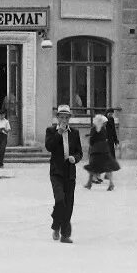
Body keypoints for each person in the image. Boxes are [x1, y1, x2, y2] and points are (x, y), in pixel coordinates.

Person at [45, 104, 82, 244]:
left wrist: (75, 158)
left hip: (70, 172)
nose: (64, 120)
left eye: (67, 117)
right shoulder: (50, 131)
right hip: (56, 171)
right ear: (57, 118)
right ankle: (56, 226)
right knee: (60, 200)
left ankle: (65, 235)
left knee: (69, 204)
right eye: (62, 117)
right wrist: (58, 133)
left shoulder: (75, 133)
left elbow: (79, 152)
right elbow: (49, 147)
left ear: (70, 118)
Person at [84, 114, 120, 190]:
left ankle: (89, 183)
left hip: (96, 150)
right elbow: (104, 138)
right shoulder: (103, 129)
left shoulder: (94, 129)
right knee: (108, 167)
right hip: (104, 149)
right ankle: (111, 183)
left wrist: (90, 143)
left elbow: (92, 140)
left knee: (92, 167)